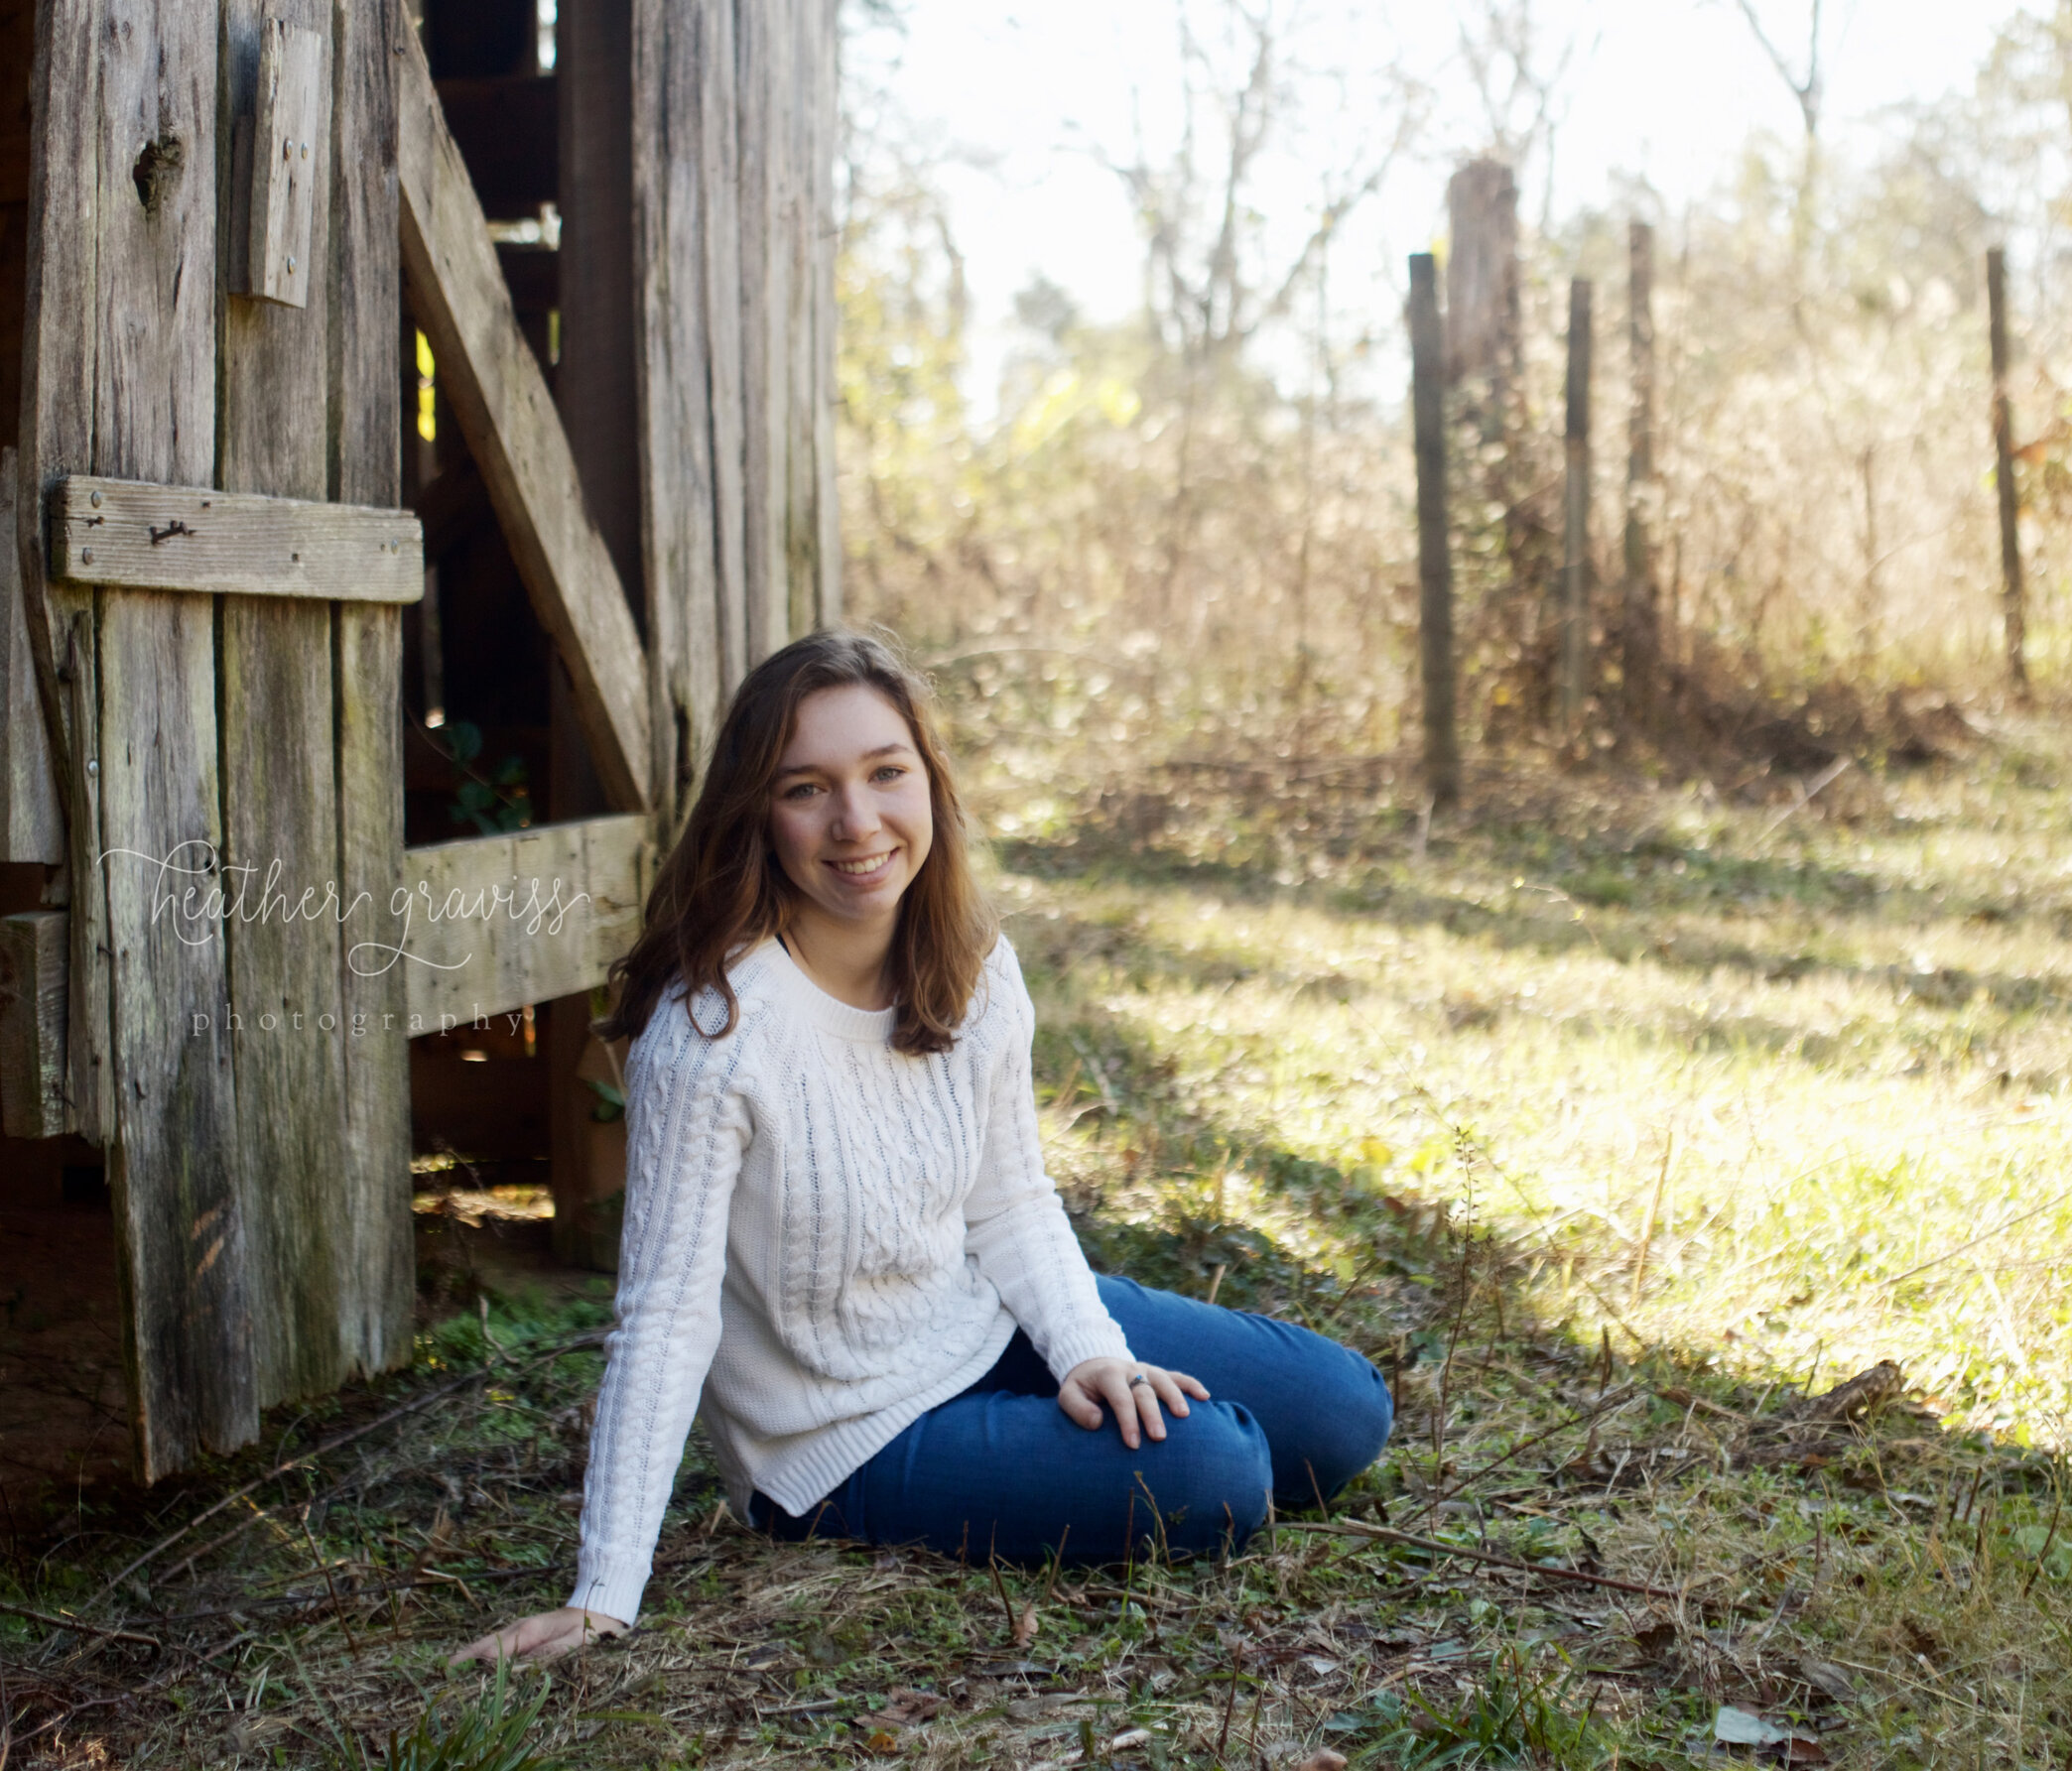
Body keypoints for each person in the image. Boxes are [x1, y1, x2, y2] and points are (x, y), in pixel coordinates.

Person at [452, 630, 1392, 1664]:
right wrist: (604, 1590)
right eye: (806, 788)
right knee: (1219, 1476)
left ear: (929, 784)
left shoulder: (974, 966)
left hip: (974, 1325)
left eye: (884, 773)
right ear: (756, 813)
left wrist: (1088, 1353)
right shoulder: (714, 1032)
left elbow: (1010, 1202)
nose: (857, 823)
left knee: (1341, 1410)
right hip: (840, 1437)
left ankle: (1076, 1390)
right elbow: (666, 1316)